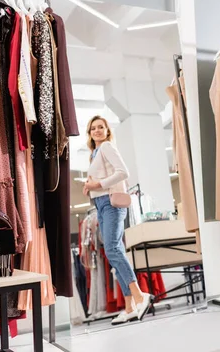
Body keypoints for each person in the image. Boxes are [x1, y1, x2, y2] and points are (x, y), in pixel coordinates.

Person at [83, 115, 152, 325]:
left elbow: (124, 172)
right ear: (89, 132)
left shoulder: (106, 147)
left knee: (112, 249)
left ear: (107, 130)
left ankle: (140, 295)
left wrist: (98, 185)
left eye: (101, 127)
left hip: (111, 203)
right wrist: (90, 187)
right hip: (101, 204)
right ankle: (130, 306)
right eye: (93, 128)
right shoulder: (94, 153)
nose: (97, 130)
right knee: (114, 252)